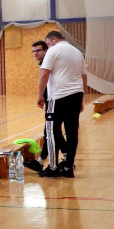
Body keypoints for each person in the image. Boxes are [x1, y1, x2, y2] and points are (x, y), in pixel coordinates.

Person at [36, 30, 87, 178]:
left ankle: (52, 167)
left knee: (51, 130)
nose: (47, 46)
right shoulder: (77, 52)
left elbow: (44, 73)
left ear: (52, 40)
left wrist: (40, 95)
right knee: (72, 132)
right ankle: (68, 167)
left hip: (58, 96)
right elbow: (83, 77)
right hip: (76, 95)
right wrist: (82, 98)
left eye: (47, 43)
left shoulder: (53, 50)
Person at [23, 40, 49, 175]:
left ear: (46, 50)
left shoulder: (48, 64)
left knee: (51, 132)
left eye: (38, 50)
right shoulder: (43, 64)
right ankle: (40, 161)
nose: (35, 53)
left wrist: (43, 97)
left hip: (55, 101)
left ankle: (68, 161)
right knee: (49, 132)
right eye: (33, 51)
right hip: (50, 101)